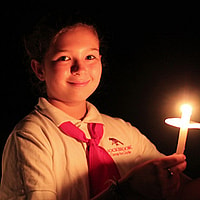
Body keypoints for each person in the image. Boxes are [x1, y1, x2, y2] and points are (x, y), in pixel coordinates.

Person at [0, 12, 199, 200]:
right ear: (39, 69)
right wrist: (125, 190)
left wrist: (168, 181)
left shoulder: (122, 131)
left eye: (90, 57)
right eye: (64, 58)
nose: (80, 68)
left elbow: (181, 191)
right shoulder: (31, 137)